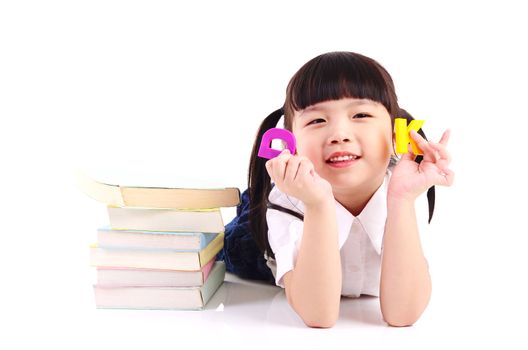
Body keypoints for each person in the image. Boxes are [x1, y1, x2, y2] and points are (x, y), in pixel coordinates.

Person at [217, 51, 453, 328]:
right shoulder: (285, 201)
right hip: (258, 243)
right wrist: (318, 204)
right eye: (317, 120)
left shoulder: (408, 186)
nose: (340, 134)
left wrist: (401, 200)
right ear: (290, 144)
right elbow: (318, 315)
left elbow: (403, 315)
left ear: (395, 135)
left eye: (361, 114)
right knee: (232, 248)